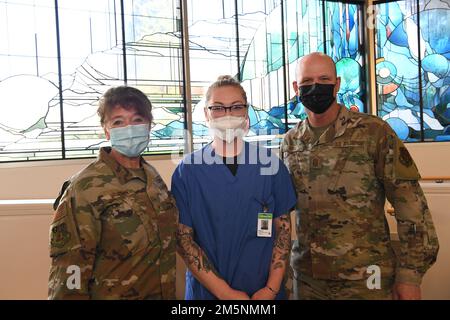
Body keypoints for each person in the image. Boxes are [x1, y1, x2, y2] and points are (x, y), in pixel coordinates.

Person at [281, 52, 439, 300]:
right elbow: (281, 209)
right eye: (307, 82)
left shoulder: (374, 132)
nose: (315, 87)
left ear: (337, 84)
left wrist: (410, 275)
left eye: (324, 79)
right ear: (295, 87)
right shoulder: (291, 142)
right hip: (308, 279)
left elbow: (411, 206)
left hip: (366, 278)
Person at [172, 75, 297, 300]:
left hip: (264, 293)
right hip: (209, 295)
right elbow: (183, 240)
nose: (228, 115)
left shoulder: (271, 166)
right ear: (206, 114)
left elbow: (283, 231)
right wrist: (225, 293)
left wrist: (271, 289)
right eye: (218, 108)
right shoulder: (187, 172)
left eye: (236, 107)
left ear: (246, 112)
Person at [48, 86, 177, 299]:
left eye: (137, 120)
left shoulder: (152, 176)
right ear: (106, 130)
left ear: (149, 126)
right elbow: (69, 271)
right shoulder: (85, 188)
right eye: (118, 122)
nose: (129, 128)